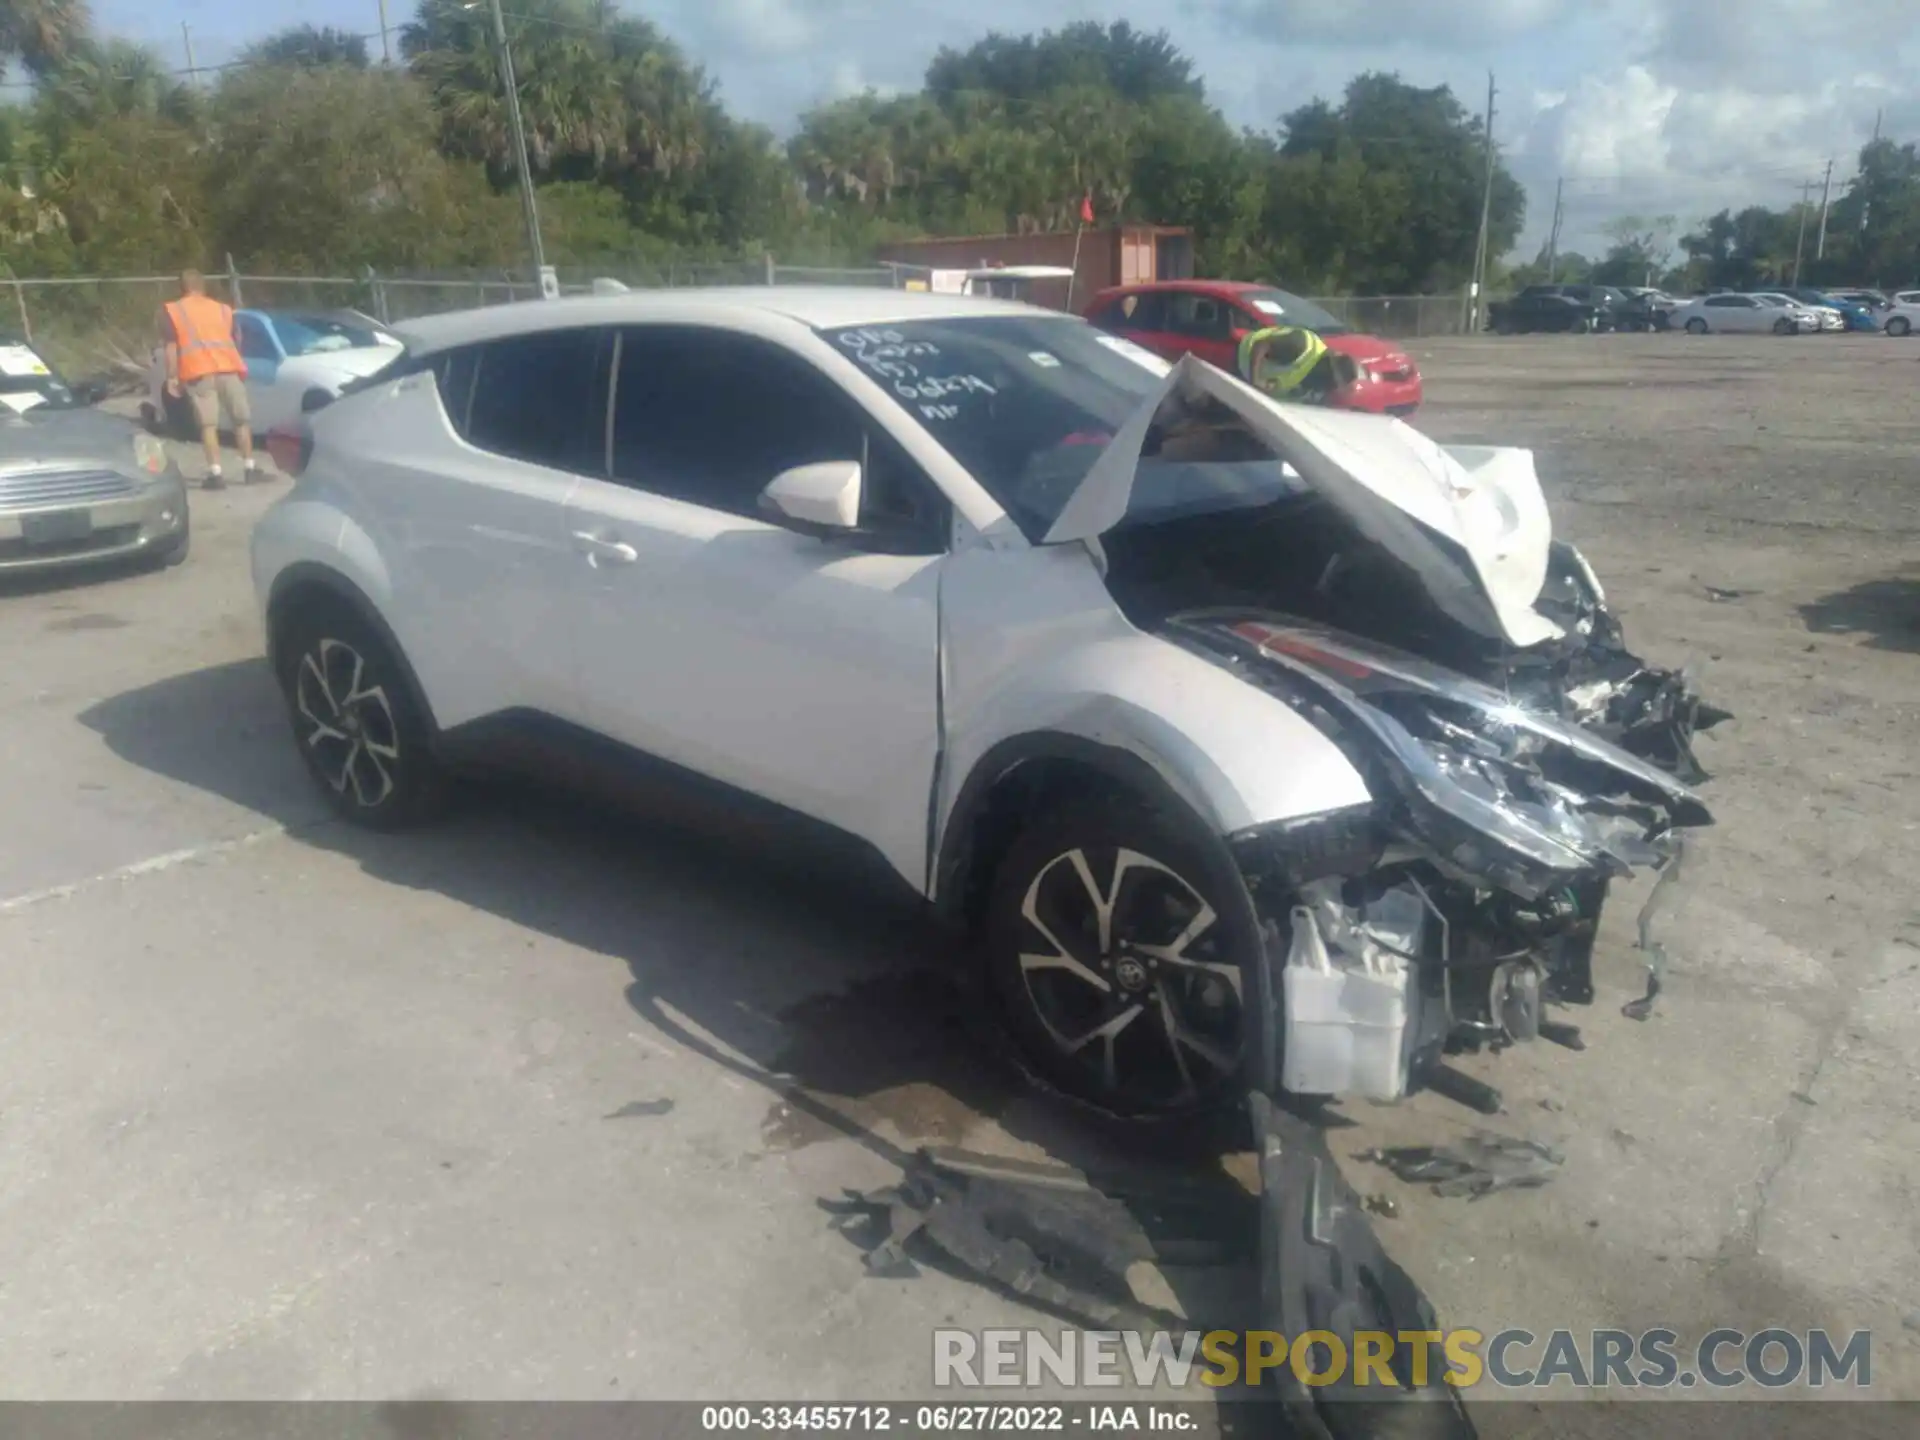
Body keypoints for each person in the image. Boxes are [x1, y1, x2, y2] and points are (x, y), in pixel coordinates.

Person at [160, 269, 257, 489]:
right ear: (203, 286)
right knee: (241, 420)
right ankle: (249, 468)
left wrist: (172, 377)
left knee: (208, 424)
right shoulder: (222, 309)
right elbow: (236, 339)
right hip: (229, 368)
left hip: (199, 372)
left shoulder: (173, 310)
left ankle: (216, 473)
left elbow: (171, 347)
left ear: (182, 287)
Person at [1234, 324, 1359, 405]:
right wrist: (1256, 379)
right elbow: (1261, 345)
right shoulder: (1301, 346)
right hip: (1239, 360)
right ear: (1328, 366)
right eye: (1333, 380)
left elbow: (1286, 379)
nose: (1329, 385)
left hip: (1252, 381)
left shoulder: (1312, 370)